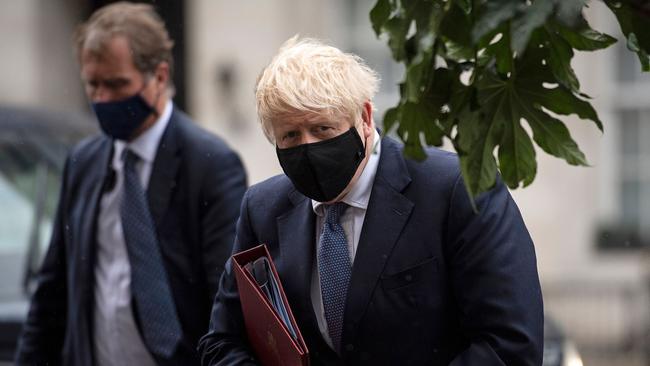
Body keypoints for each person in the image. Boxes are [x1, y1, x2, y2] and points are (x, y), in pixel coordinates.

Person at [198, 36, 544, 366]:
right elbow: (223, 342)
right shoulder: (262, 208)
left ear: (364, 117)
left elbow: (510, 345)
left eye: (323, 129)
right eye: (290, 135)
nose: (308, 147)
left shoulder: (455, 188)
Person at [15, 2, 247, 365]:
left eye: (117, 84)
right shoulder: (84, 161)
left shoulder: (211, 164)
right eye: (93, 84)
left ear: (159, 76)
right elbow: (53, 290)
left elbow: (227, 299)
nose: (102, 98)